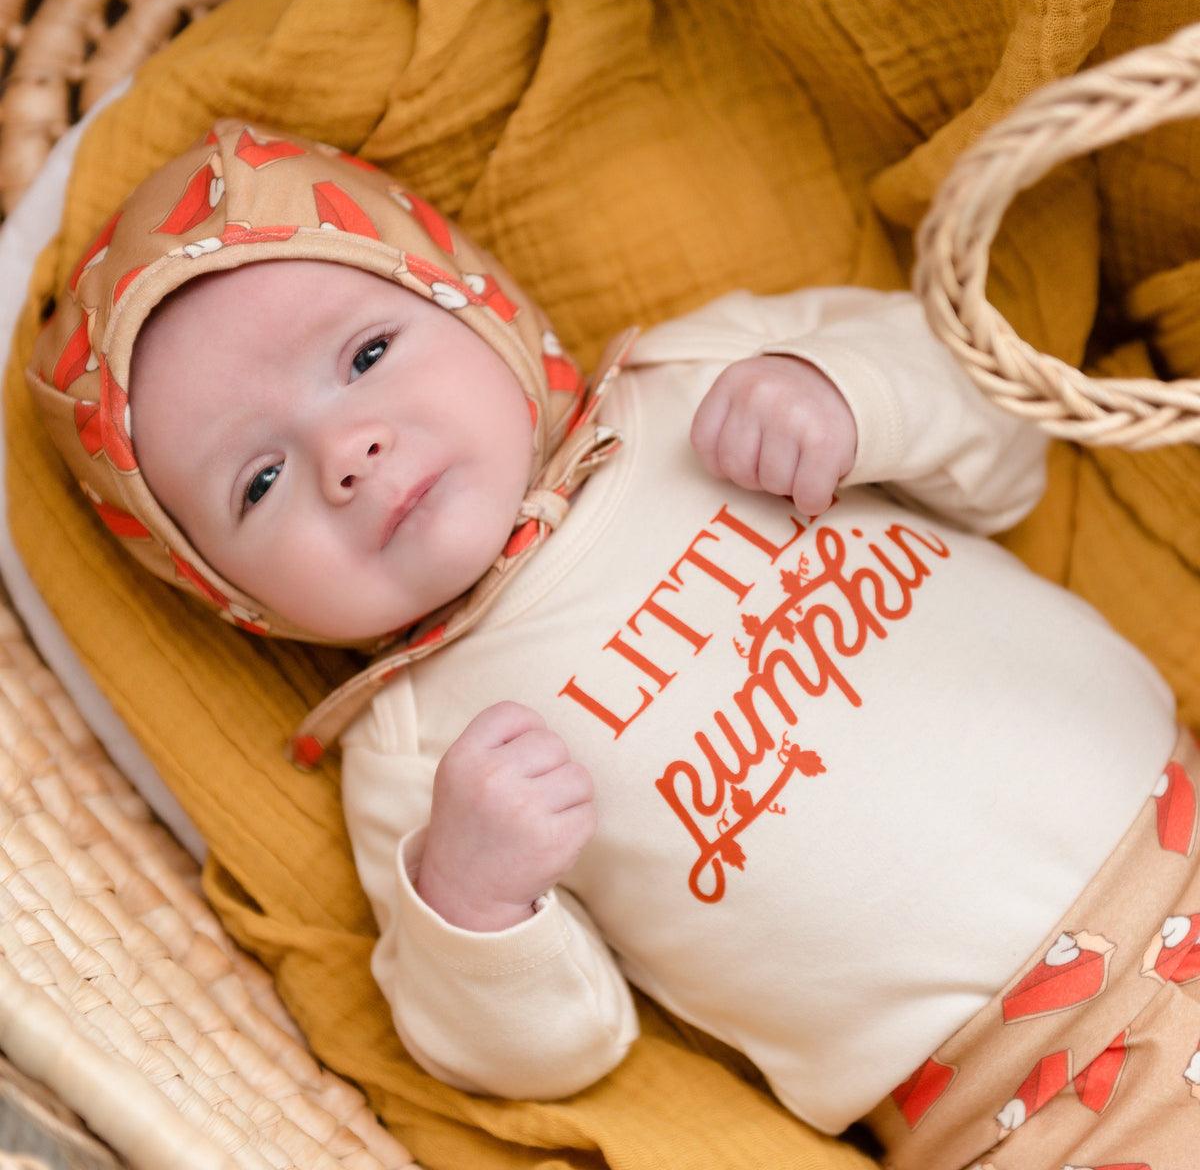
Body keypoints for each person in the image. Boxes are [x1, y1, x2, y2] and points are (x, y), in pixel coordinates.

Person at [27, 119, 1200, 1170]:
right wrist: (474, 902)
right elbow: (551, 1052)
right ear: (228, 595)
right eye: (258, 481)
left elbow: (1006, 449)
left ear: (479, 299)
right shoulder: (417, 756)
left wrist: (850, 398)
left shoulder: (698, 379)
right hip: (1032, 1098)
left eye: (368, 355)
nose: (348, 451)